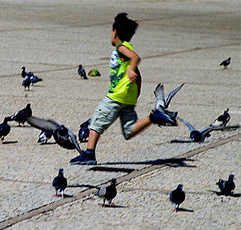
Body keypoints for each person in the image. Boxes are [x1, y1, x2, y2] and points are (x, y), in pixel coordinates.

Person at [70, 13, 177, 165]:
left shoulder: (121, 48)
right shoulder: (126, 49)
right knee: (129, 131)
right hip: (128, 97)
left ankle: (89, 153)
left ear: (115, 32)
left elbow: (135, 58)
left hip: (116, 96)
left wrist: (131, 68)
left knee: (96, 121)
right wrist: (135, 93)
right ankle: (154, 117)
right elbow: (138, 76)